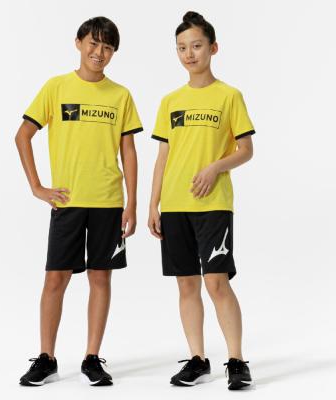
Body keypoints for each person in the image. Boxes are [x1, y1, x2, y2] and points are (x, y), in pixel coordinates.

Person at [15, 16, 143, 387]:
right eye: (94, 43)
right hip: (68, 202)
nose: (99, 52)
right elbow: (23, 136)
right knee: (55, 278)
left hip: (108, 202)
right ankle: (46, 357)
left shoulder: (120, 95)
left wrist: (131, 204)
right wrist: (37, 187)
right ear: (79, 43)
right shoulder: (56, 87)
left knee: (100, 277)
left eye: (108, 47)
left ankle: (92, 358)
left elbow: (129, 151)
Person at [148, 11, 255, 390]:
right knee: (186, 285)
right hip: (175, 205)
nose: (189, 54)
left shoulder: (229, 96)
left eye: (196, 46)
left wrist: (215, 168)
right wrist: (153, 205)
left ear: (213, 48)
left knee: (217, 283)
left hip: (213, 205)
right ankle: (197, 359)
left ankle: (236, 361)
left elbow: (246, 149)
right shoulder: (170, 101)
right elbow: (163, 156)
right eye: (182, 48)